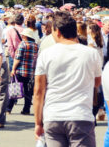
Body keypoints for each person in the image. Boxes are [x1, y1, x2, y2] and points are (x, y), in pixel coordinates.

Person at [34, 11, 101, 146]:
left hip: (53, 116)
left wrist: (38, 122)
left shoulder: (46, 54)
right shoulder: (91, 53)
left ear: (57, 31)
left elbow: (38, 91)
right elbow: (97, 82)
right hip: (80, 115)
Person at [9, 28, 39, 115]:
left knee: (15, 89)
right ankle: (26, 109)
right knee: (28, 91)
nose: (21, 36)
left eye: (23, 35)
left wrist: (13, 69)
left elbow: (17, 58)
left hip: (21, 71)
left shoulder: (22, 44)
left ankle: (9, 108)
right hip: (30, 72)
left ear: (26, 36)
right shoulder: (36, 45)